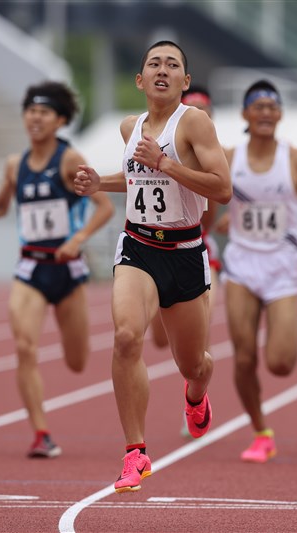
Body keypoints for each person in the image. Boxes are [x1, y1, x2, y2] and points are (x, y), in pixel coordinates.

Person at [73, 40, 231, 492]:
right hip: (138, 246)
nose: (163, 70)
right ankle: (135, 453)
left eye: (173, 65)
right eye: (154, 64)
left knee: (193, 364)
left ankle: (197, 397)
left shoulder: (195, 123)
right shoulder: (131, 126)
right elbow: (139, 178)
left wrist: (166, 161)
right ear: (140, 80)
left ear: (184, 81)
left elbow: (221, 189)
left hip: (183, 253)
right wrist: (97, 184)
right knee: (125, 337)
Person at [0, 81, 114, 458]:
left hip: (69, 270)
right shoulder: (16, 165)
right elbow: (0, 206)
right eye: (31, 111)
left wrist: (77, 241)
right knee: (25, 347)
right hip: (30, 267)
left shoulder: (69, 159)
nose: (35, 118)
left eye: (44, 112)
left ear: (60, 119)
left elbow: (105, 207)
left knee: (77, 362)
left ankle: (47, 415)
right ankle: (41, 432)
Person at [220, 79, 297, 463]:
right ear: (245, 114)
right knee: (244, 356)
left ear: (280, 115)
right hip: (241, 264)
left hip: (283, 267)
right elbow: (209, 193)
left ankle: (262, 417)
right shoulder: (229, 157)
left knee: (281, 363)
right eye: (258, 106)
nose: (266, 112)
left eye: (272, 106)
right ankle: (260, 430)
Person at [149, 85, 222, 353]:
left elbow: (214, 212)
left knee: (200, 333)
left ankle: (199, 390)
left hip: (197, 245)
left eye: (204, 112)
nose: (198, 116)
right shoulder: (159, 149)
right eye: (193, 111)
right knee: (159, 339)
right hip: (156, 247)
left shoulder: (217, 156)